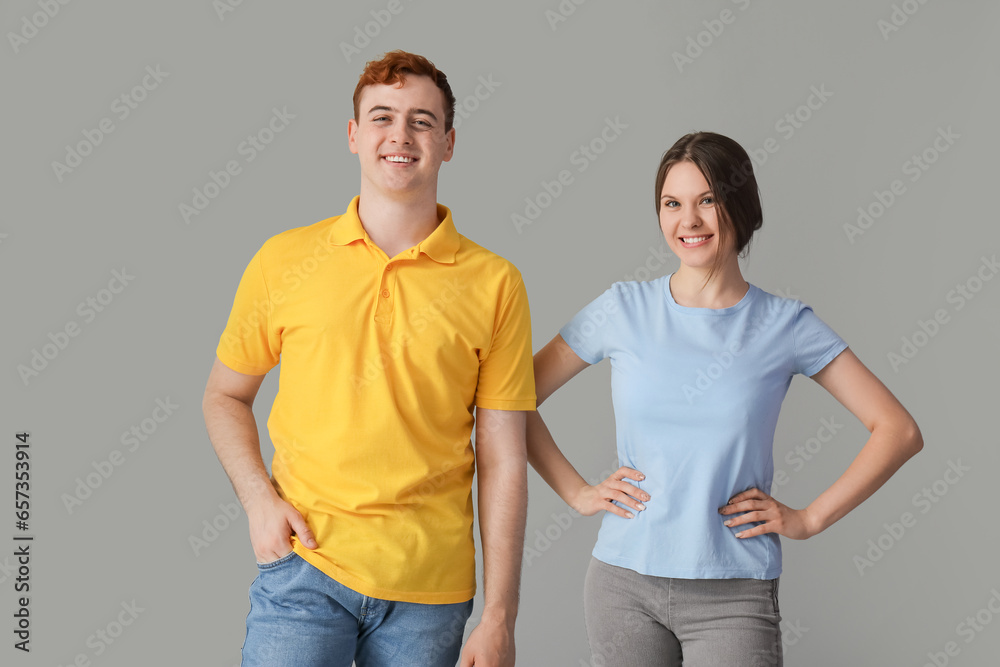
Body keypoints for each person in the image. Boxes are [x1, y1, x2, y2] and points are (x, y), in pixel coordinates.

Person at [526, 131, 923, 666]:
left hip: (734, 592)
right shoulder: (621, 309)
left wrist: (809, 519)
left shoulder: (785, 325)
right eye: (672, 204)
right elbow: (513, 398)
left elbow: (898, 430)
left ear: (740, 206)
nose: (687, 221)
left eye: (706, 200)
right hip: (622, 585)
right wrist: (575, 491)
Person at [201, 50, 534, 667]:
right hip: (304, 569)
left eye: (422, 121)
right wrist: (258, 501)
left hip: (431, 596)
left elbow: (504, 458)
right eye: (381, 117)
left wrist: (499, 617)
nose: (400, 136)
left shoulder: (495, 283)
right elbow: (224, 395)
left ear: (449, 142)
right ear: (354, 136)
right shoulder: (284, 260)